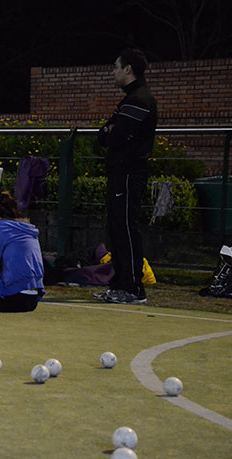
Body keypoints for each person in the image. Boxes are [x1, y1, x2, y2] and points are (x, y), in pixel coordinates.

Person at [95, 48, 157, 305]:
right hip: (121, 172)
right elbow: (103, 135)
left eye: (116, 67)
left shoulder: (138, 100)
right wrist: (109, 131)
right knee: (116, 227)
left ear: (128, 69)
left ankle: (133, 287)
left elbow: (115, 137)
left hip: (130, 172)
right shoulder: (131, 100)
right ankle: (121, 284)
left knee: (126, 228)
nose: (113, 72)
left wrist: (111, 131)